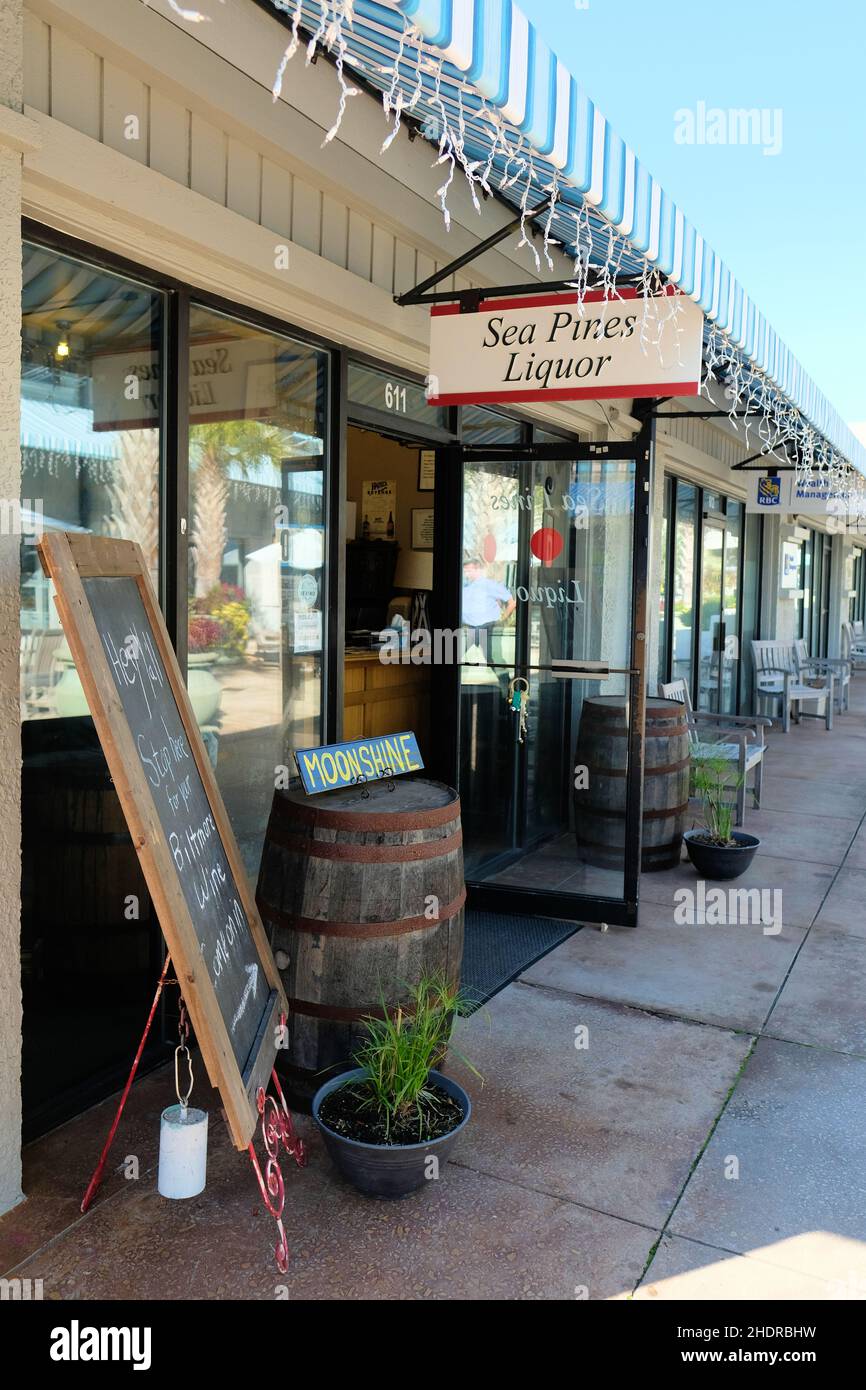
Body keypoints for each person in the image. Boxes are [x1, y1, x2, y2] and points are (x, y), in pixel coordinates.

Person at [462, 557, 515, 677]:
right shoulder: (464, 587)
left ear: (478, 570)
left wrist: (502, 620)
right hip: (468, 628)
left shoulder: (489, 585)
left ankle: (508, 690)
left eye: (469, 571)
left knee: (493, 659)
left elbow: (512, 602)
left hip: (487, 627)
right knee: (452, 656)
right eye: (465, 571)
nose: (466, 574)